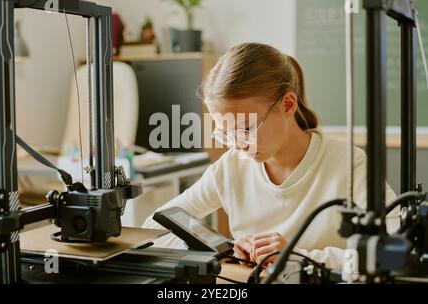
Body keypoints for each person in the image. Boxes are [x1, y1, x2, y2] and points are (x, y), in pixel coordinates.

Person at [143, 43, 399, 270]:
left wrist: (300, 257)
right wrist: (224, 248)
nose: (238, 145)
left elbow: (396, 252)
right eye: (225, 134)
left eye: (245, 129)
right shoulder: (230, 168)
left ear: (288, 104)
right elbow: (152, 231)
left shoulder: (348, 165)